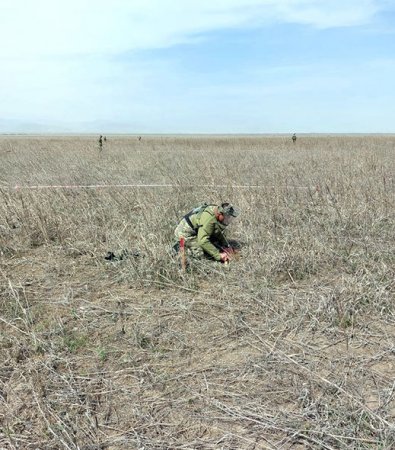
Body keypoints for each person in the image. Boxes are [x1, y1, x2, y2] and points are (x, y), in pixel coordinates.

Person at [174, 203, 240, 263]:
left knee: (215, 241)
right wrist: (219, 255)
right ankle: (179, 249)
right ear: (220, 214)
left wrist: (226, 245)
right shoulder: (209, 220)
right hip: (184, 233)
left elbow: (216, 231)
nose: (228, 220)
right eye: (226, 217)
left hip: (197, 230)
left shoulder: (216, 210)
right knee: (199, 253)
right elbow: (203, 241)